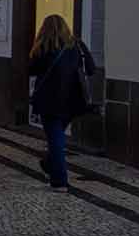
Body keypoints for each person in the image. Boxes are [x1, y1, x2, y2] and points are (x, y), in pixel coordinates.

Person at [28, 14, 96, 192]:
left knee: (55, 139)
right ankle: (49, 164)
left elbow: (31, 70)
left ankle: (59, 181)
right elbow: (91, 68)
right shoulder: (77, 46)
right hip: (73, 101)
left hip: (49, 101)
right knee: (57, 137)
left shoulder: (43, 47)